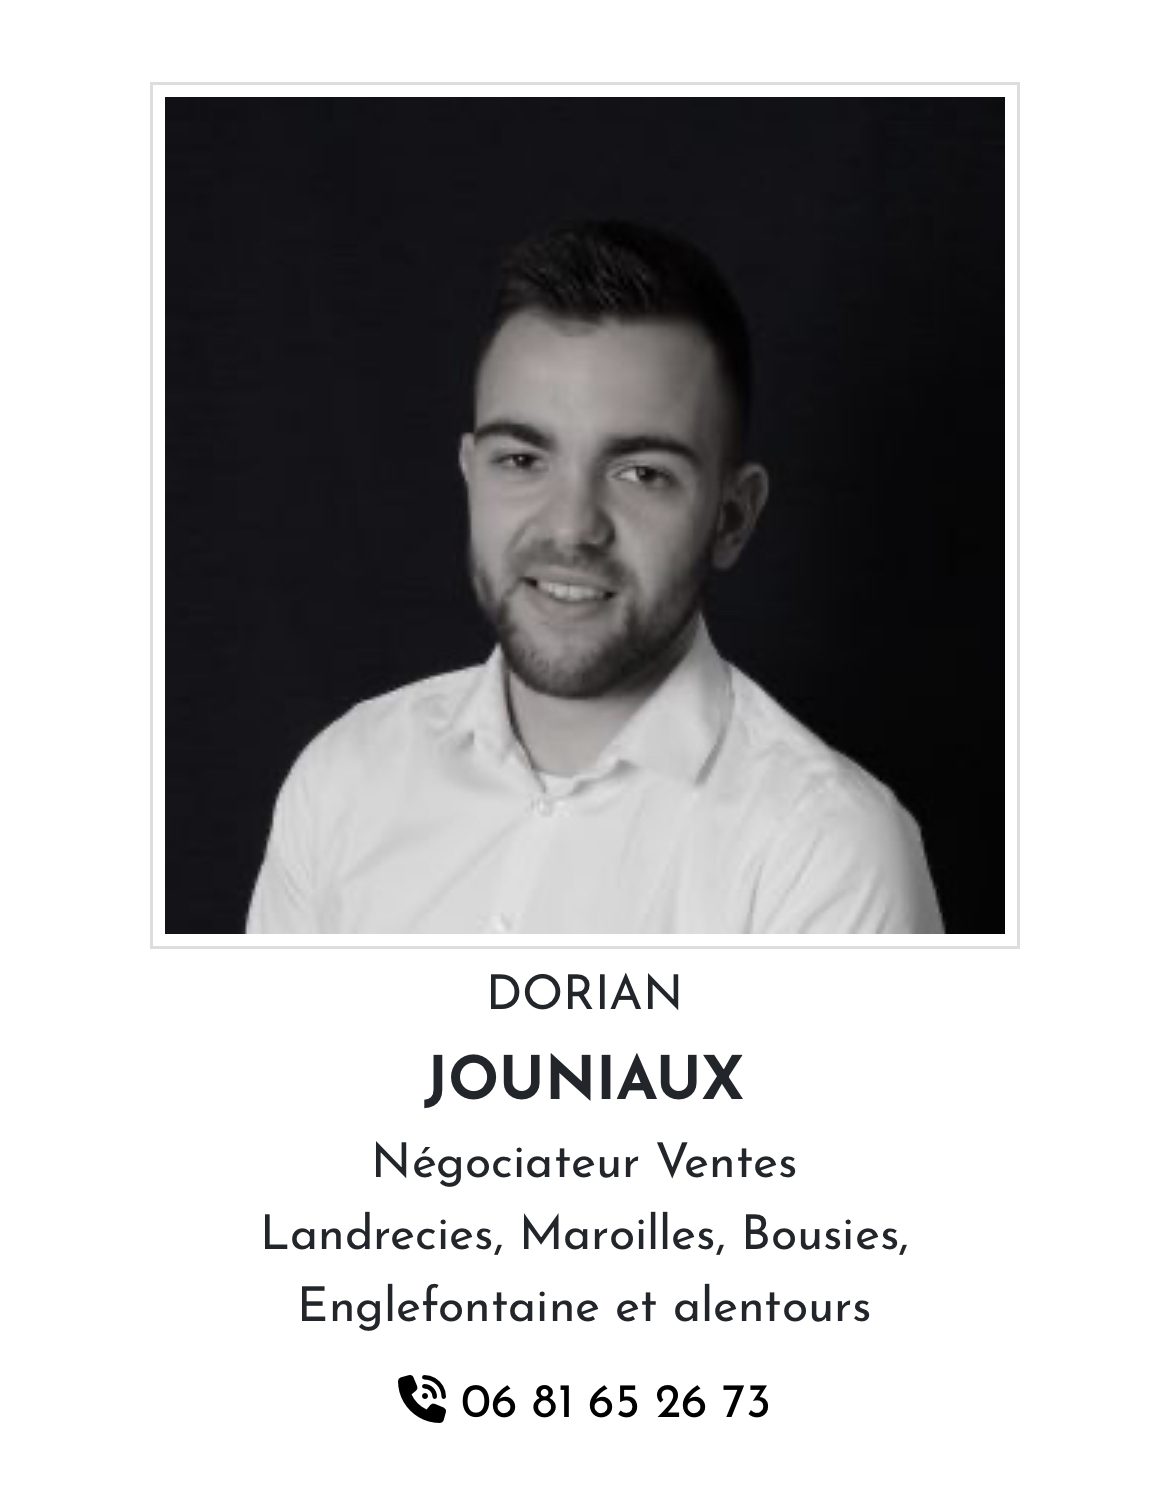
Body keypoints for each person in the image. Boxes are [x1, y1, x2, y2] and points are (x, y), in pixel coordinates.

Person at [247, 220, 942, 934]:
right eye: (522, 460)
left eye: (642, 473)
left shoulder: (828, 853)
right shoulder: (343, 779)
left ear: (732, 517)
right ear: (470, 475)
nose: (572, 527)